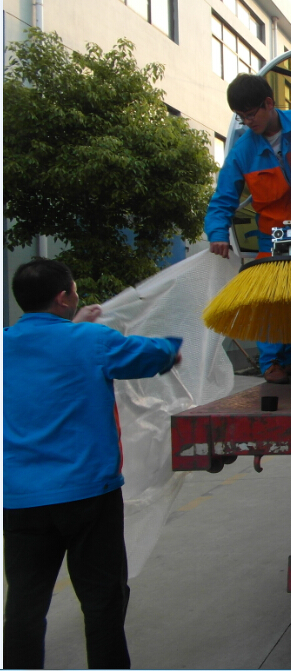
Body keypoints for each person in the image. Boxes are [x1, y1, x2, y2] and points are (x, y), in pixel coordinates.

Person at [3, 258, 183, 669]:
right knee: (102, 601)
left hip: (21, 500)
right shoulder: (92, 341)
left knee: (25, 606)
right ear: (64, 297)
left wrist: (75, 326)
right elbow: (155, 355)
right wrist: (176, 343)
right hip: (89, 496)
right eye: (74, 290)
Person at [204, 73, 291, 384]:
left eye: (250, 114)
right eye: (240, 117)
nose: (246, 122)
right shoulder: (243, 151)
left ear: (269, 103)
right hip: (274, 233)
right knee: (273, 298)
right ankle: (270, 363)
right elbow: (223, 197)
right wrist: (218, 234)